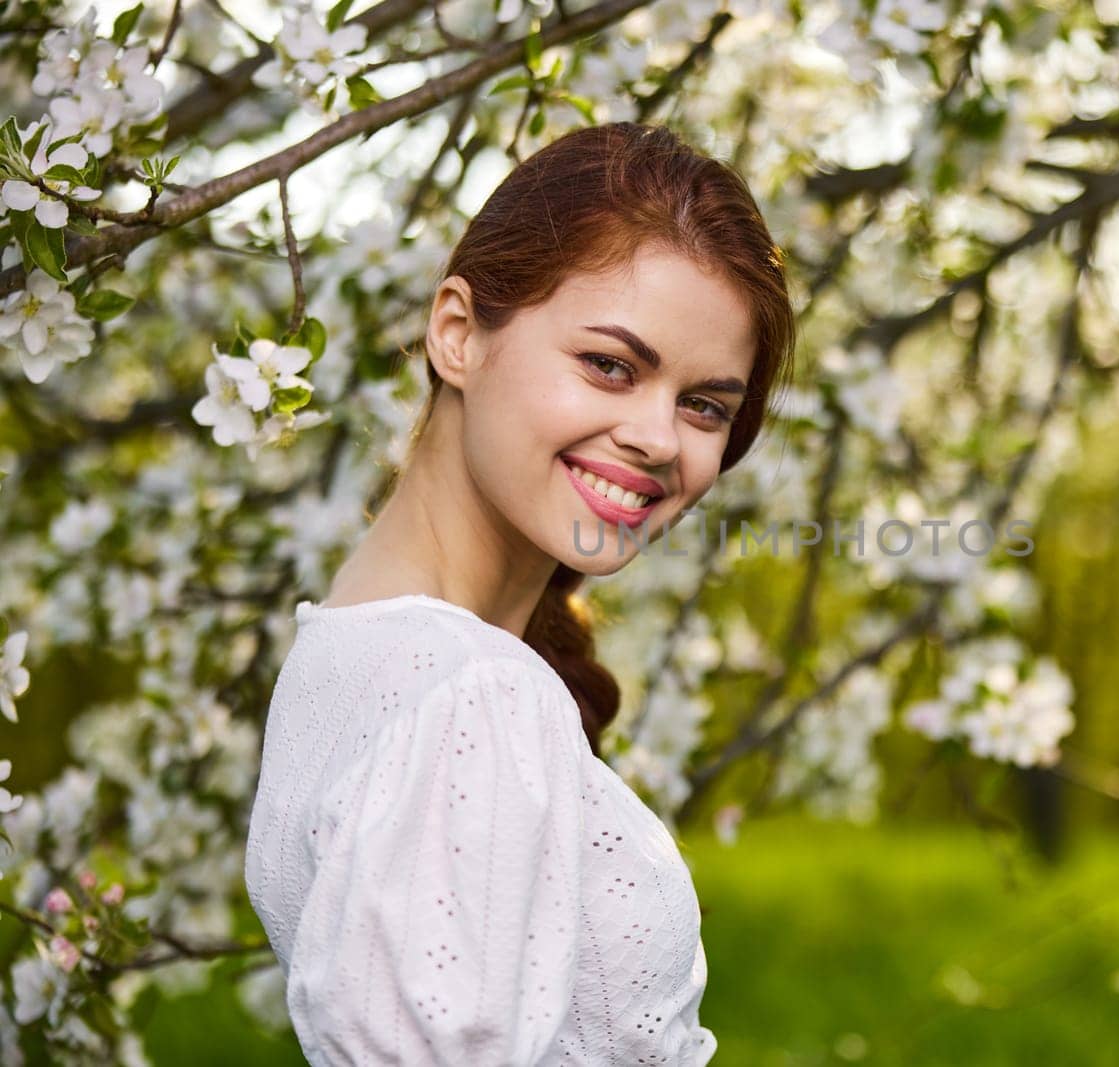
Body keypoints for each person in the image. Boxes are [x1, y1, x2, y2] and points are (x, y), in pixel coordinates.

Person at [243, 121, 796, 1065]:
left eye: (705, 403)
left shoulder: (349, 646)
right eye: (611, 365)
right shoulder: (473, 695)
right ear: (458, 335)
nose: (661, 439)